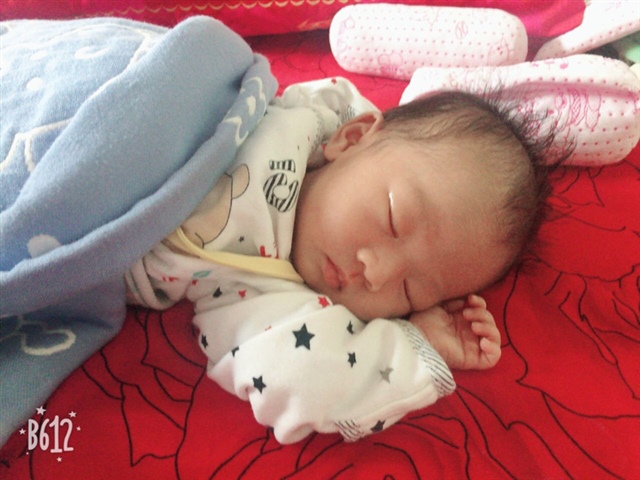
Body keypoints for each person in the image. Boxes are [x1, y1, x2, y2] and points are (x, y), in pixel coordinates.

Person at [126, 77, 559, 443]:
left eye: (410, 291)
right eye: (393, 218)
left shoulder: (263, 290)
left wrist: (415, 344)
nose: (376, 273)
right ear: (351, 138)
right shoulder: (303, 118)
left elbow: (305, 378)